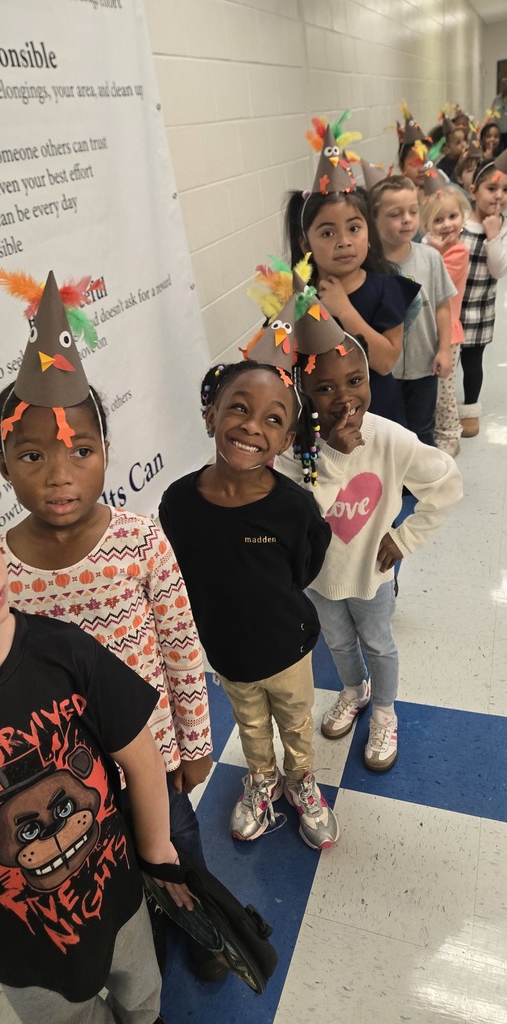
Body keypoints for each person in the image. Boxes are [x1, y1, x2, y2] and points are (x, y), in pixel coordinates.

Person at [0, 269, 219, 981]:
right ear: (3, 466)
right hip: (68, 784)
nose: (60, 475)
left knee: (176, 851)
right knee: (111, 872)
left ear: (106, 455)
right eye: (33, 456)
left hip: (152, 755)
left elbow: (181, 647)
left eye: (80, 452)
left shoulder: (141, 541)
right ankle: (142, 933)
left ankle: (206, 931)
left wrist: (196, 743)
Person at [0, 459, 193, 1024]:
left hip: (119, 899)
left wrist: (158, 856)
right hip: (14, 943)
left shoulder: (63, 652)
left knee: (143, 997)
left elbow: (143, 761)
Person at [159, 330, 337, 851]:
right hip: (227, 653)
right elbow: (180, 577)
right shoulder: (179, 503)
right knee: (250, 723)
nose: (251, 427)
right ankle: (263, 778)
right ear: (211, 413)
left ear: (286, 441)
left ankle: (301, 779)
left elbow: (304, 567)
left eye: (273, 420)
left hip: (287, 648)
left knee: (297, 723)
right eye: (239, 408)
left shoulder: (294, 508)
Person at [290, 329, 462, 771]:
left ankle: (385, 709)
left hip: (372, 573)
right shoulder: (295, 449)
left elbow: (447, 482)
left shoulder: (390, 439)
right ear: (302, 392)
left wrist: (404, 538)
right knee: (339, 641)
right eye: (324, 387)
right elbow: (301, 515)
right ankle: (355, 690)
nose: (344, 398)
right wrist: (329, 459)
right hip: (318, 579)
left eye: (354, 381)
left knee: (378, 643)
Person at [285, 123, 420, 427]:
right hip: (320, 421)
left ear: (368, 233)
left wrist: (343, 310)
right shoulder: (298, 297)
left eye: (354, 228)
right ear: (305, 243)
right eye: (328, 232)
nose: (343, 240)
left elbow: (385, 362)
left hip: (378, 418)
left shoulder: (388, 288)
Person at [369, 174, 455, 447]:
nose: (407, 219)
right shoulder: (370, 268)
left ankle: (421, 487)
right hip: (384, 373)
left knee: (422, 430)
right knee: (389, 434)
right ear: (374, 220)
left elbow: (442, 306)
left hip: (423, 366)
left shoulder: (430, 257)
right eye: (396, 214)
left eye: (412, 212)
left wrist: (444, 349)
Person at [420, 176, 471, 455]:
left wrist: (433, 248)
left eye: (452, 216)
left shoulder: (458, 252)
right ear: (427, 225)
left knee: (444, 392)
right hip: (427, 331)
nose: (447, 225)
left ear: (462, 217)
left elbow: (436, 282)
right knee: (432, 388)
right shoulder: (430, 251)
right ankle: (433, 430)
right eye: (438, 220)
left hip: (448, 333)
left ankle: (450, 435)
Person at [459, 153, 507, 437]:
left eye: (505, 190)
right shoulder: (459, 222)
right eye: (492, 188)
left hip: (479, 311)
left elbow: (499, 269)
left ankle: (470, 409)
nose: (499, 196)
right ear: (473, 190)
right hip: (451, 310)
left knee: (473, 363)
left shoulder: (501, 230)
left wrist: (493, 236)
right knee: (446, 362)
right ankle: (443, 408)